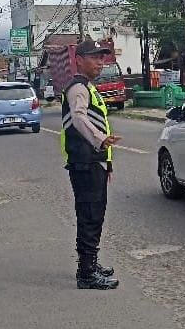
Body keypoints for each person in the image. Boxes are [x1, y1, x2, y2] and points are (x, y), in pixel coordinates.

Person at [61, 40, 122, 290]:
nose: (100, 63)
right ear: (79, 59)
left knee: (94, 215)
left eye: (102, 58)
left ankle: (90, 264)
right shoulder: (78, 88)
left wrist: (106, 162)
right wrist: (100, 140)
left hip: (93, 161)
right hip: (85, 162)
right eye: (95, 57)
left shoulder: (87, 87)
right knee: (90, 216)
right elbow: (78, 118)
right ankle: (86, 273)